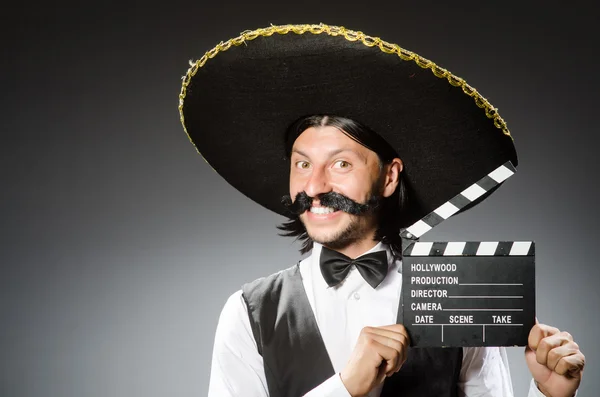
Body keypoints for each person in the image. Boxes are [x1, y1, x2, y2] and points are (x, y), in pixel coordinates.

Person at [178, 24, 585, 397]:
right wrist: (345, 388)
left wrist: (549, 395)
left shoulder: (456, 302)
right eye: (303, 164)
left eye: (341, 164)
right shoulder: (248, 312)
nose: (315, 187)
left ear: (389, 178)